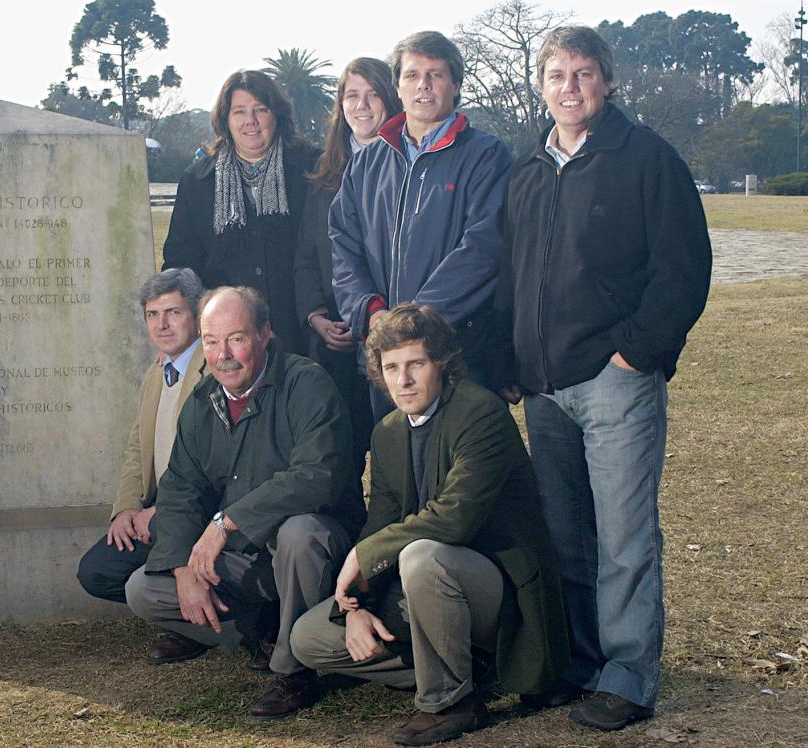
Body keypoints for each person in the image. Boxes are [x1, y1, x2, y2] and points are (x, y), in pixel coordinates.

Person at [500, 26, 712, 731]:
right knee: (567, 536)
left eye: (584, 73)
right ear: (541, 84)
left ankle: (626, 676)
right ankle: (579, 664)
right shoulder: (526, 169)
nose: (570, 86)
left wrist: (635, 354)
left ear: (608, 81)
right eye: (557, 74)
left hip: (615, 382)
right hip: (544, 389)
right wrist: (513, 365)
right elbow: (511, 276)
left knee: (624, 536)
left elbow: (683, 270)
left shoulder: (646, 159)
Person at [289, 304, 569, 746]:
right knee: (308, 638)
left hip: (496, 591)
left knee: (422, 555)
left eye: (415, 364)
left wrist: (364, 557)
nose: (403, 381)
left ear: (441, 362)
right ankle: (469, 668)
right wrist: (355, 608)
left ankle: (450, 701)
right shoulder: (387, 431)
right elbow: (380, 521)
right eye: (391, 367)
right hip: (421, 589)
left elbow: (455, 518)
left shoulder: (481, 413)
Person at [125, 286, 366, 720]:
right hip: (248, 564)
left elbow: (317, 476)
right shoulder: (201, 403)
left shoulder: (306, 383)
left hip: (317, 552)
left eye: (236, 338)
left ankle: (299, 671)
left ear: (265, 333)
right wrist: (183, 568)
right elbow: (180, 489)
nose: (223, 355)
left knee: (300, 533)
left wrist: (226, 523)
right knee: (143, 589)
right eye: (212, 342)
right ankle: (264, 630)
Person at [330, 31, 512, 416]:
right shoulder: (367, 162)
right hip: (386, 358)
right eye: (412, 75)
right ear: (397, 85)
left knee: (460, 470)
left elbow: (483, 247)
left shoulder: (486, 155)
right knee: (397, 467)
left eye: (436, 75)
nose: (423, 86)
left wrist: (413, 325)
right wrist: (373, 314)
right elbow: (344, 246)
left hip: (455, 354)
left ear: (456, 84)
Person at [294, 56, 403, 481]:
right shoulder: (324, 176)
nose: (362, 105)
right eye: (351, 95)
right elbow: (306, 255)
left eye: (373, 94)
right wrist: (317, 316)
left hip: (394, 333)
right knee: (341, 457)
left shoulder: (408, 166)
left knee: (398, 454)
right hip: (338, 342)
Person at [162, 70, 318, 356]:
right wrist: (177, 333)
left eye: (261, 110)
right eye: (240, 112)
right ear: (225, 119)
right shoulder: (198, 181)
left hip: (304, 332)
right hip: (228, 343)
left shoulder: (312, 169)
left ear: (277, 115)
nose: (251, 121)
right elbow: (181, 264)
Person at [76, 268, 206, 607]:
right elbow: (137, 448)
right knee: (96, 572)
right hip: (154, 514)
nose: (161, 325)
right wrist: (126, 509)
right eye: (153, 315)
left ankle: (206, 621)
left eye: (173, 313)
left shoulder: (215, 369)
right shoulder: (156, 372)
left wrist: (163, 512)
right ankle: (182, 614)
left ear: (196, 315)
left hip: (197, 511)